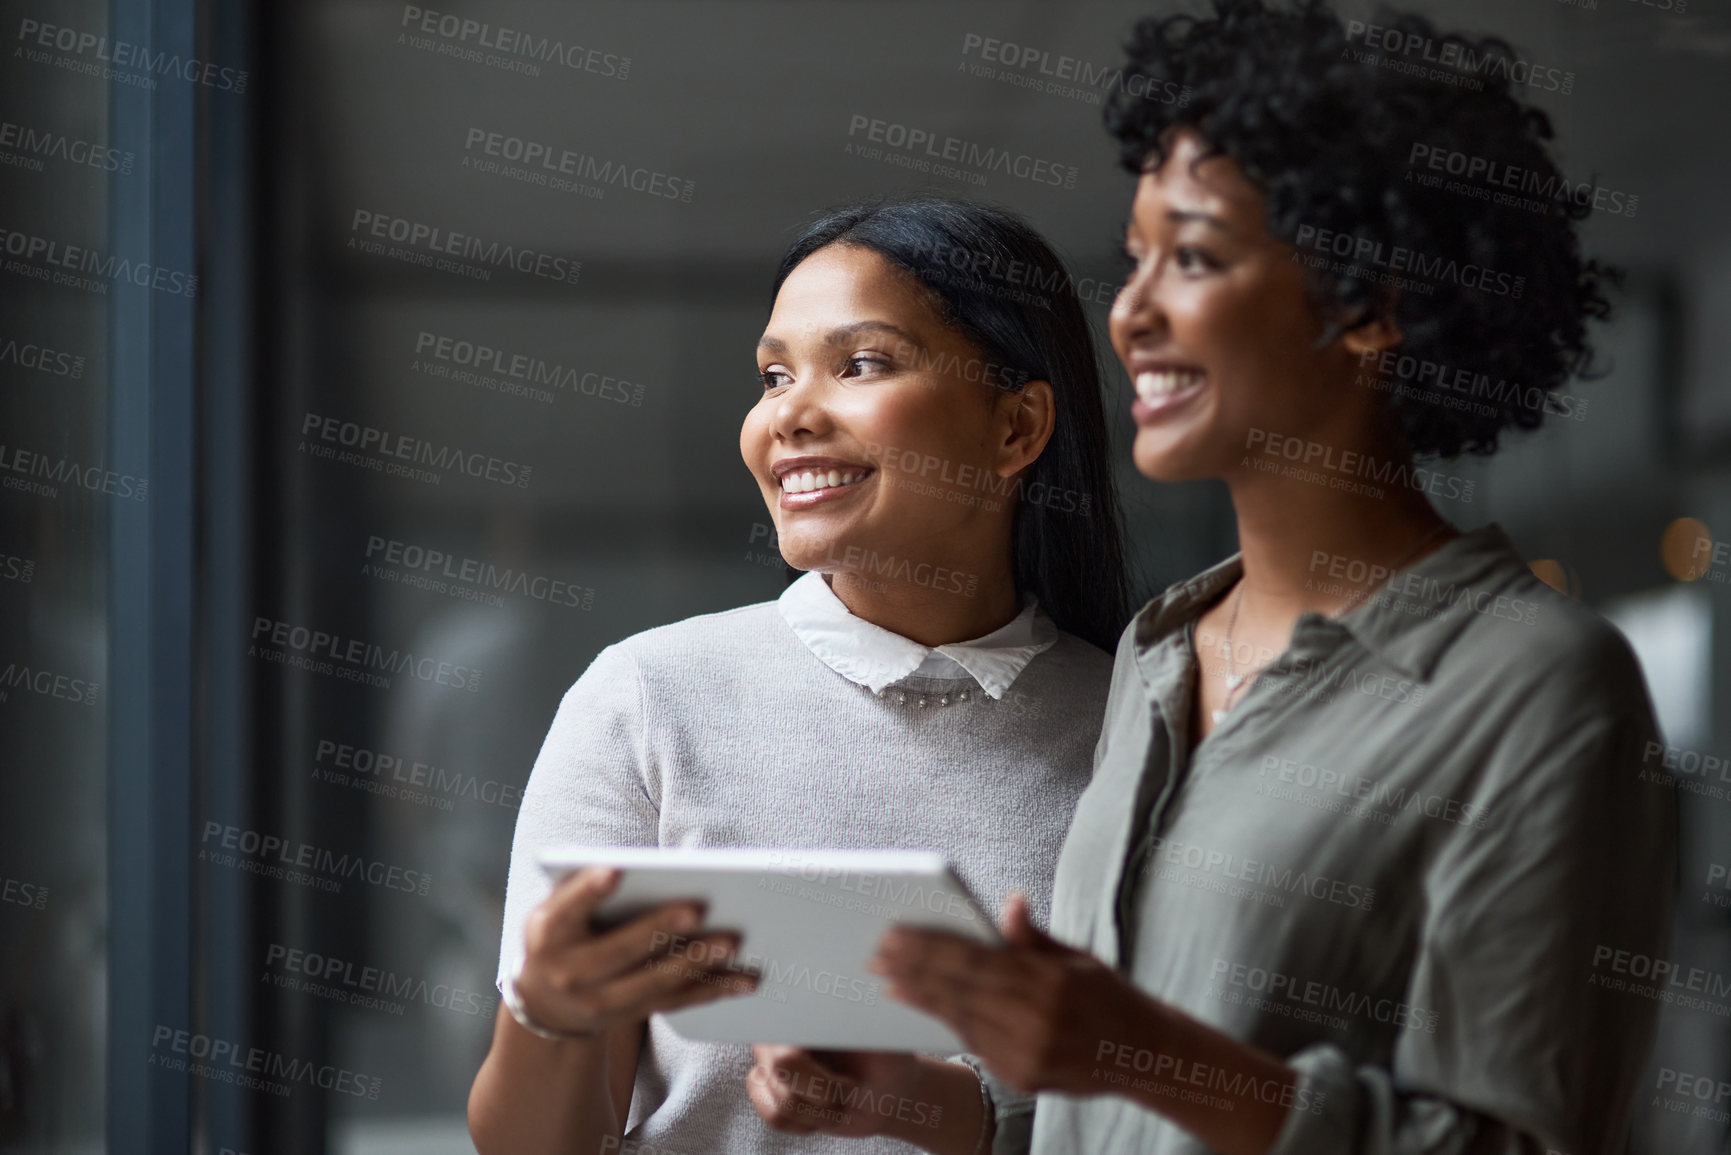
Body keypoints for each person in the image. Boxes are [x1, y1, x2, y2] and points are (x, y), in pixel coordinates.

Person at [771, 3, 1678, 1153]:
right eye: (1135, 257)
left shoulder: (1538, 686)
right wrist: (915, 1097)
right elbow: (1103, 1116)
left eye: (1193, 257)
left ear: (1367, 306)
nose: (1132, 312)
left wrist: (1127, 1050)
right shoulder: (1162, 647)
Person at [467, 195, 1131, 1155]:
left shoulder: (1137, 722)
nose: (791, 415)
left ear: (1017, 428)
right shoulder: (646, 698)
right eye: (773, 375)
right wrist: (547, 1016)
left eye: (860, 364)